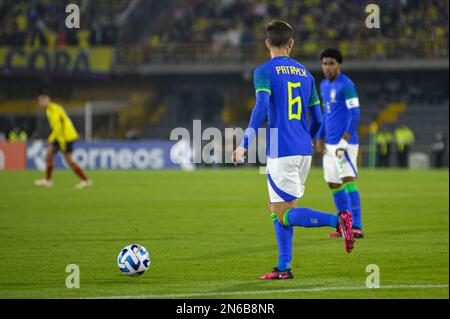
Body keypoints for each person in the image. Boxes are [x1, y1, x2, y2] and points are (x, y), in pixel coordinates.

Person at [232, 21, 354, 280]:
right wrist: (307, 139)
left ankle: (339, 221)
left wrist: (244, 143)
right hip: (303, 150)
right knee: (278, 210)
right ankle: (283, 267)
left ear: (267, 43)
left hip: (281, 149)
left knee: (283, 214)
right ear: (291, 43)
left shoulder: (264, 72)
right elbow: (318, 119)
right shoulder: (306, 75)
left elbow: (262, 107)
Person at [315, 48, 364, 238]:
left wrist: (345, 140)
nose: (327, 67)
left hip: (346, 143)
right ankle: (344, 224)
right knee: (333, 184)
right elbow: (327, 114)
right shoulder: (324, 86)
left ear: (339, 65)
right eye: (324, 63)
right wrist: (320, 136)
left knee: (348, 180)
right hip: (330, 143)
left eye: (331, 63)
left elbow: (355, 114)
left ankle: (357, 226)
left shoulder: (347, 85)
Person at [34, 94, 92, 189]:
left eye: (43, 101)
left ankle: (86, 180)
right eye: (40, 101)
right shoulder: (49, 109)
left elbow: (58, 127)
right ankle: (48, 181)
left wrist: (50, 139)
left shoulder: (53, 109)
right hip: (60, 136)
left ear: (48, 100)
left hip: (66, 137)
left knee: (69, 160)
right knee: (49, 155)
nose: (41, 103)